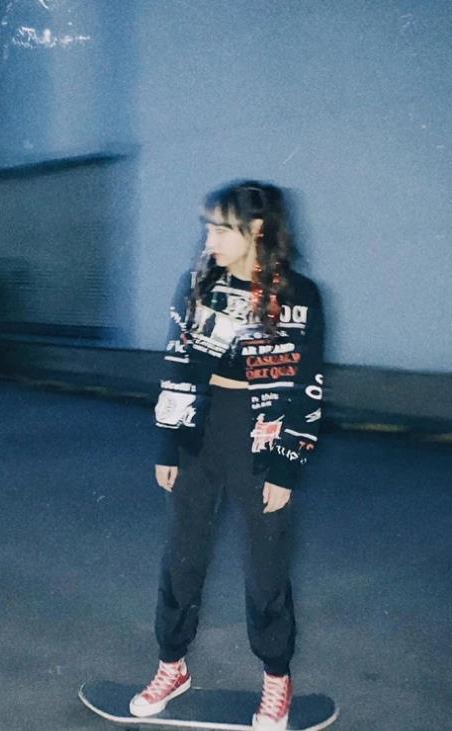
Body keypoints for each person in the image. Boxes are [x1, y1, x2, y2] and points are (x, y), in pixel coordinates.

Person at [130, 181, 325, 731]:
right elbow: (178, 363)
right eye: (209, 227)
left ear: (256, 229)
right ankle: (172, 665)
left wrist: (286, 462)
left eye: (221, 227)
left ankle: (276, 677)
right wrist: (169, 442)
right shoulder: (198, 284)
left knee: (266, 562)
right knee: (183, 553)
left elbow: (307, 385)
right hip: (200, 425)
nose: (209, 238)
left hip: (261, 431)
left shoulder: (298, 295)